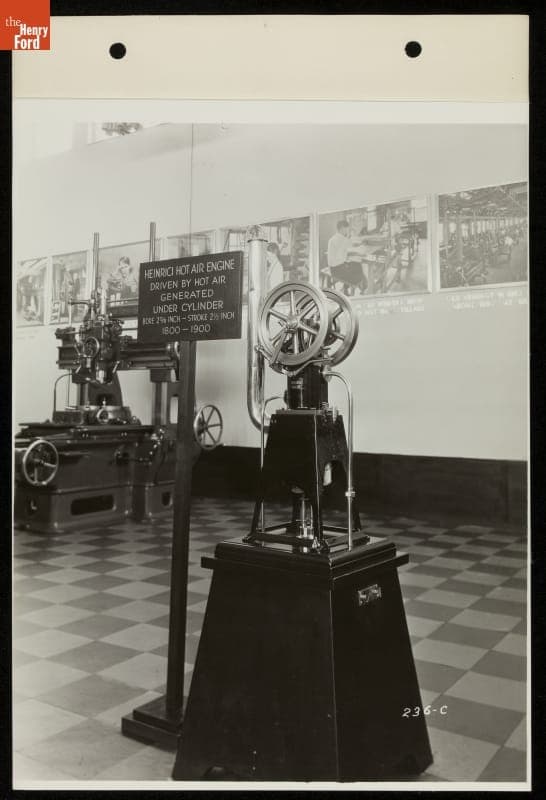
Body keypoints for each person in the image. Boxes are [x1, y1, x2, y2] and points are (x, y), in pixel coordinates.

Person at [327, 219, 367, 295]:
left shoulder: (334, 238)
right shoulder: (341, 239)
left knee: (354, 263)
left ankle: (348, 288)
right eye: (346, 230)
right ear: (342, 228)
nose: (347, 232)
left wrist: (351, 252)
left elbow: (346, 250)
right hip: (337, 270)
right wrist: (358, 251)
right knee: (357, 265)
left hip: (334, 267)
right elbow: (351, 246)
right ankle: (361, 285)